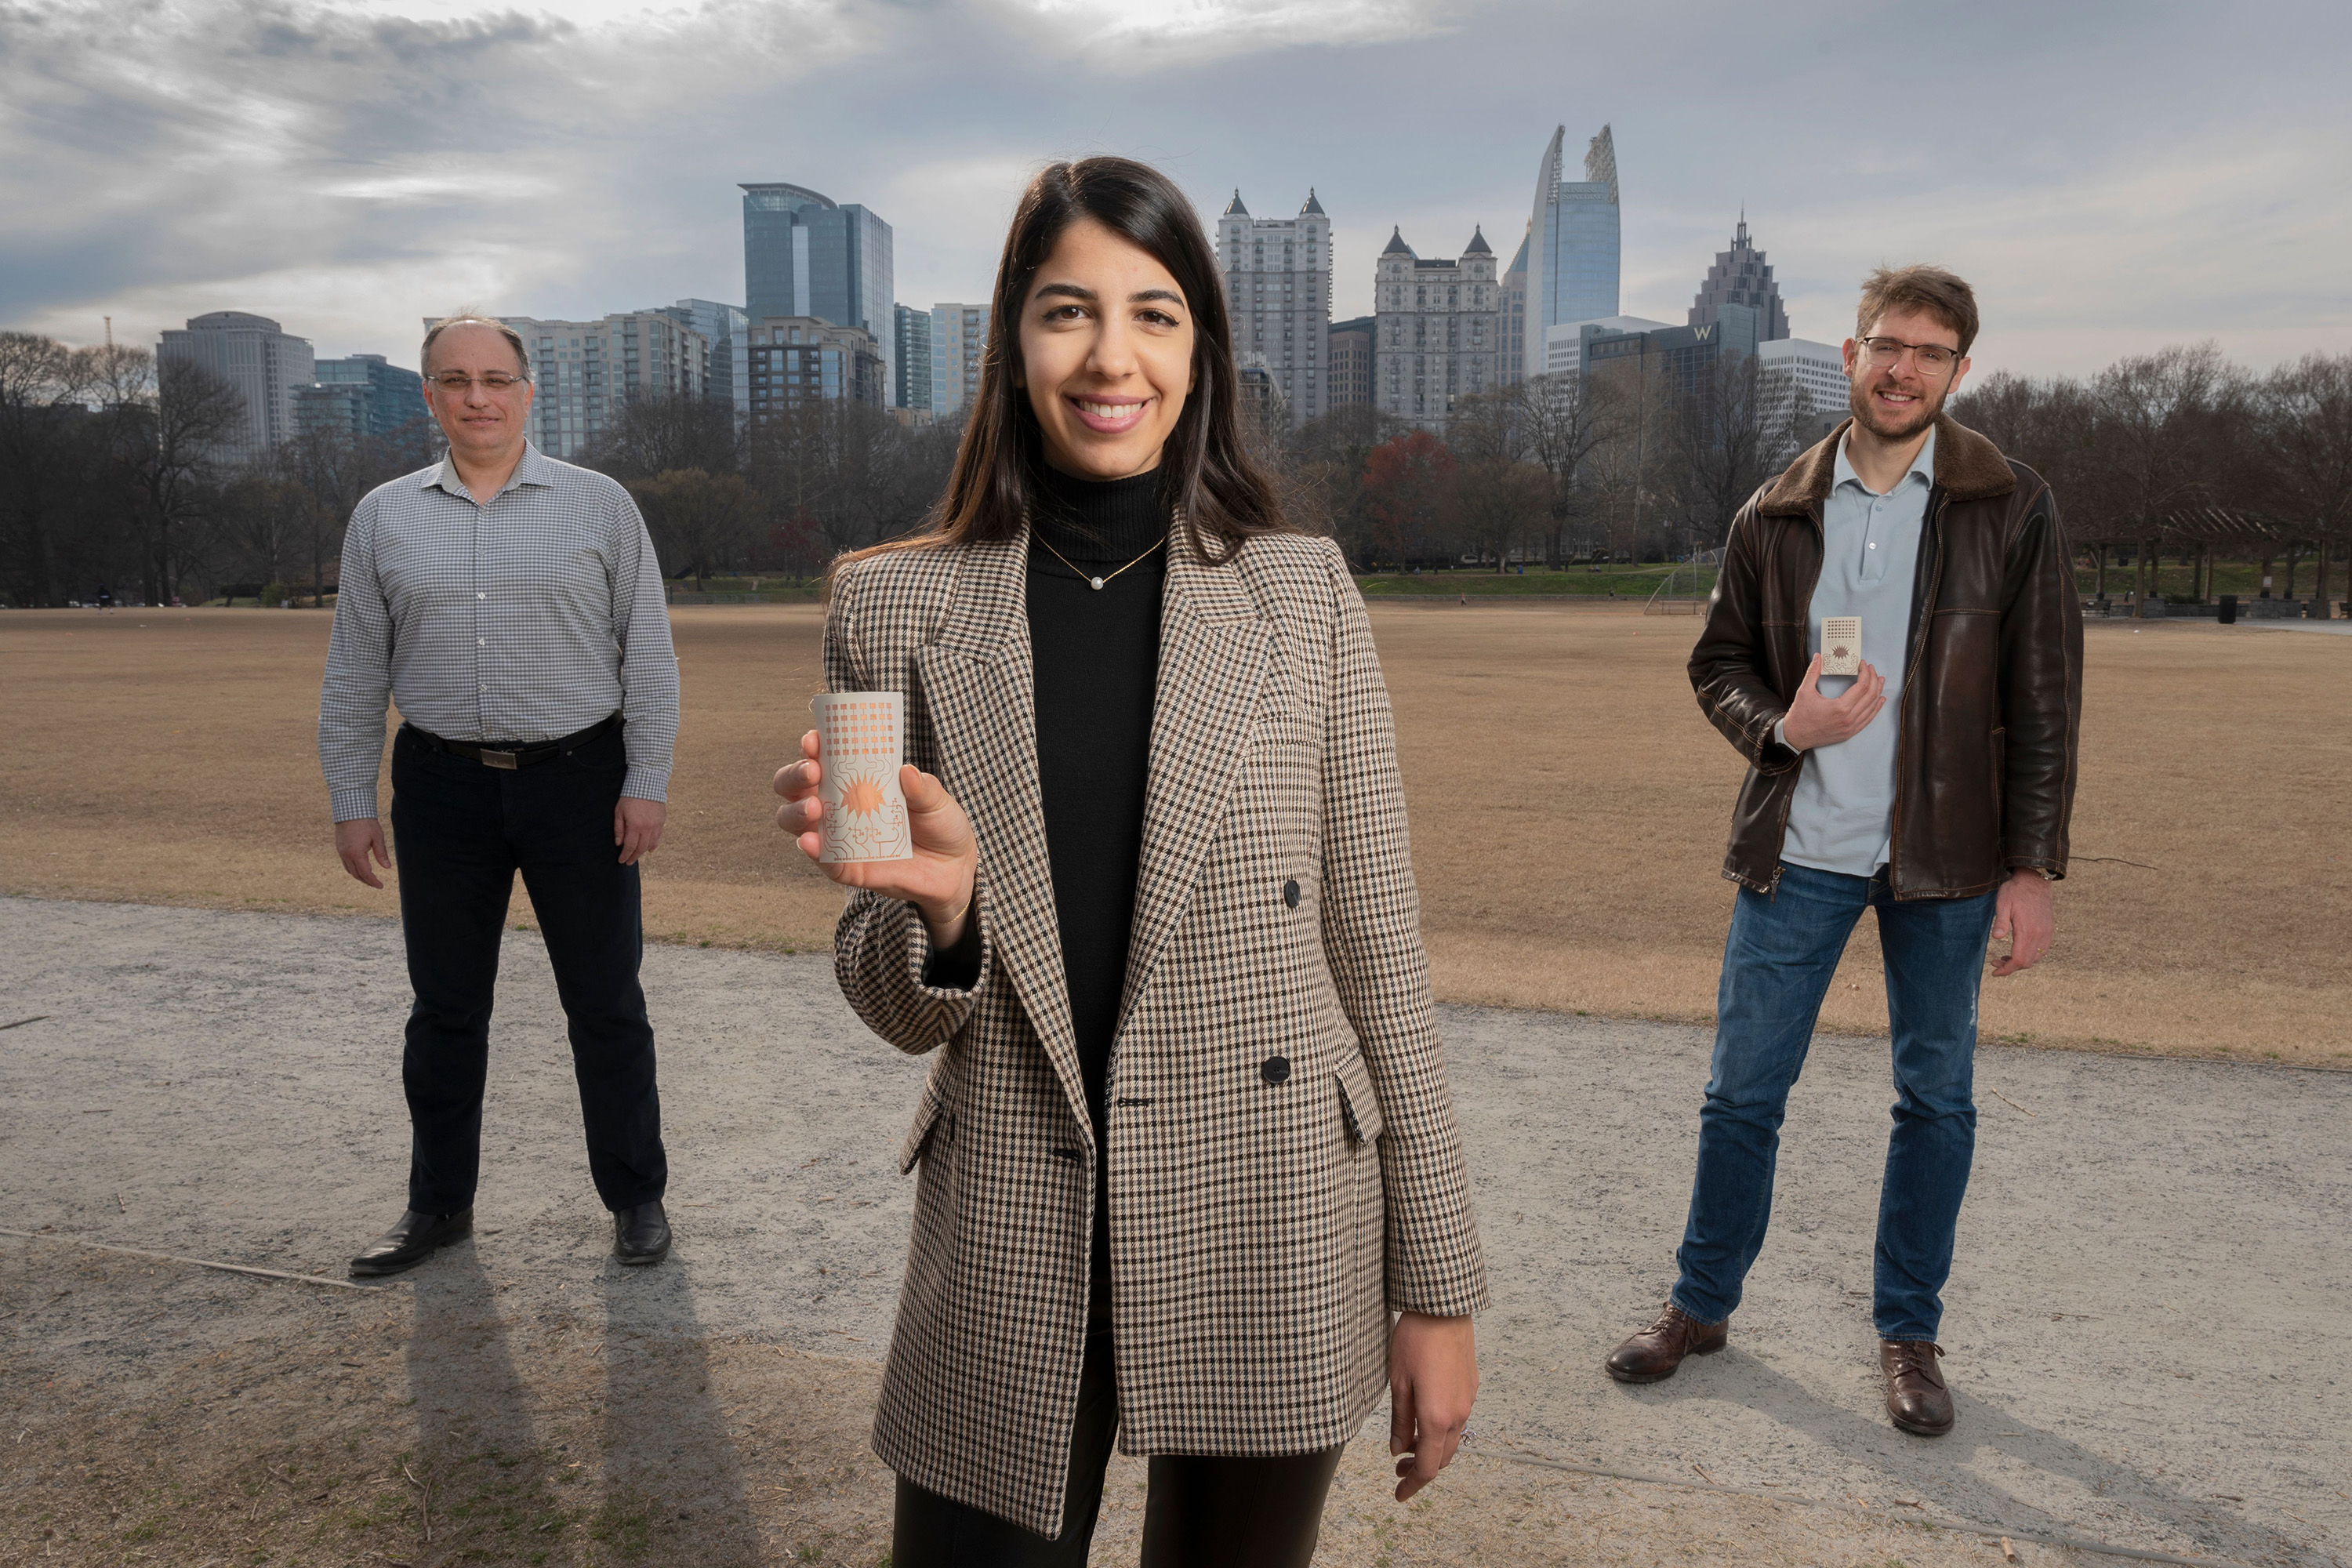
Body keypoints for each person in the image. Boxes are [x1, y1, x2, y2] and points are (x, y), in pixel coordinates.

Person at [771, 158, 1487, 1566]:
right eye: (1068, 313)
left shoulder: (1305, 595)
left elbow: (1379, 954)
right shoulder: (891, 603)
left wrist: (1439, 1289)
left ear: (1201, 349)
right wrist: (953, 918)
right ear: (1012, 342)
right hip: (1014, 1210)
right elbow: (881, 979)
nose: (1113, 357)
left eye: (1155, 315)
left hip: (1267, 1203)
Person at [1605, 266, 2082, 1437]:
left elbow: (2046, 694)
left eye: (1929, 350)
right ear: (1851, 351)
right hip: (1800, 851)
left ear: (1961, 369)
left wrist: (2032, 868)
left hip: (1949, 861)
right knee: (1741, 1094)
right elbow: (1716, 662)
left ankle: (1908, 1333)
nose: (1903, 367)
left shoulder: (2010, 503)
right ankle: (1700, 1304)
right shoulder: (1776, 507)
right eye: (1886, 344)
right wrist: (1783, 730)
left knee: (1937, 1101)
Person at [318, 312, 681, 1278]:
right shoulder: (384, 516)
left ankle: (637, 1198)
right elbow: (355, 669)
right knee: (444, 1009)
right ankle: (438, 1205)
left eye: (494, 378)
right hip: (440, 787)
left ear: (528, 392)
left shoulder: (600, 505)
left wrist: (646, 781)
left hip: (581, 782)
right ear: (428, 396)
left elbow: (647, 654)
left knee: (605, 1003)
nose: (476, 396)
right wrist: (353, 798)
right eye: (454, 379)